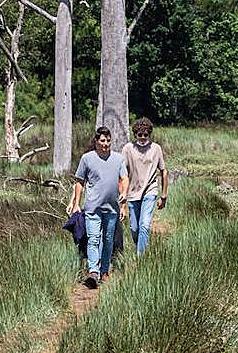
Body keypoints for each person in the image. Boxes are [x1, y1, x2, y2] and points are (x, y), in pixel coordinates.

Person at [68, 126, 128, 289]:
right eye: (102, 140)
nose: (106, 144)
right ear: (96, 142)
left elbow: (124, 178)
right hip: (93, 207)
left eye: (108, 141)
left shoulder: (118, 159)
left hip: (112, 208)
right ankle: (93, 271)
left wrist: (124, 198)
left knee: (108, 240)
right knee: (93, 239)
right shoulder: (87, 159)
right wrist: (76, 205)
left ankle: (104, 270)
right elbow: (79, 182)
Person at [121, 117, 167, 255]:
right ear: (135, 134)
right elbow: (122, 174)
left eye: (145, 135)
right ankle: (139, 246)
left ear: (149, 134)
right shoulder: (128, 148)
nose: (142, 137)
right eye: (139, 135)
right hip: (133, 192)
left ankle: (140, 259)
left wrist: (163, 195)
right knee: (134, 228)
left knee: (144, 225)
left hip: (150, 191)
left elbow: (164, 171)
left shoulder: (156, 149)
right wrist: (122, 196)